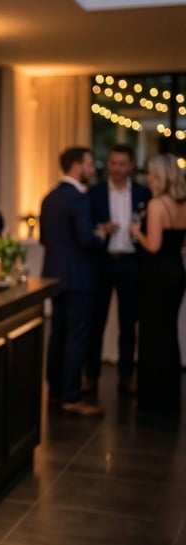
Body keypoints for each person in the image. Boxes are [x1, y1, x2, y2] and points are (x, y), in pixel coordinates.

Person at [40, 146, 111, 416]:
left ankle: (54, 393)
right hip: (79, 278)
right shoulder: (78, 199)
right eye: (89, 165)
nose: (92, 170)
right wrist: (101, 234)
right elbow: (86, 240)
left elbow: (45, 239)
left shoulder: (50, 197)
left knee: (58, 335)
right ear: (77, 166)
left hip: (55, 276)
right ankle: (71, 396)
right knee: (77, 337)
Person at [83, 143, 151, 395]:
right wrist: (102, 229)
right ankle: (91, 375)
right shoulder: (95, 192)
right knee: (96, 321)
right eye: (113, 163)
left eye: (122, 164)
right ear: (108, 164)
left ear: (131, 165)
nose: (117, 169)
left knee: (128, 322)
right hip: (103, 262)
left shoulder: (144, 192)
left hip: (132, 263)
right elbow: (86, 229)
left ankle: (126, 376)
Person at [130, 153, 186, 427]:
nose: (148, 177)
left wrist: (135, 231)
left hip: (155, 275)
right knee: (169, 335)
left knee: (152, 337)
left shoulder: (156, 205)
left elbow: (152, 245)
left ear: (160, 175)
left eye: (151, 173)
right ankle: (170, 399)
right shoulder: (182, 204)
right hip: (176, 272)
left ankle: (151, 401)